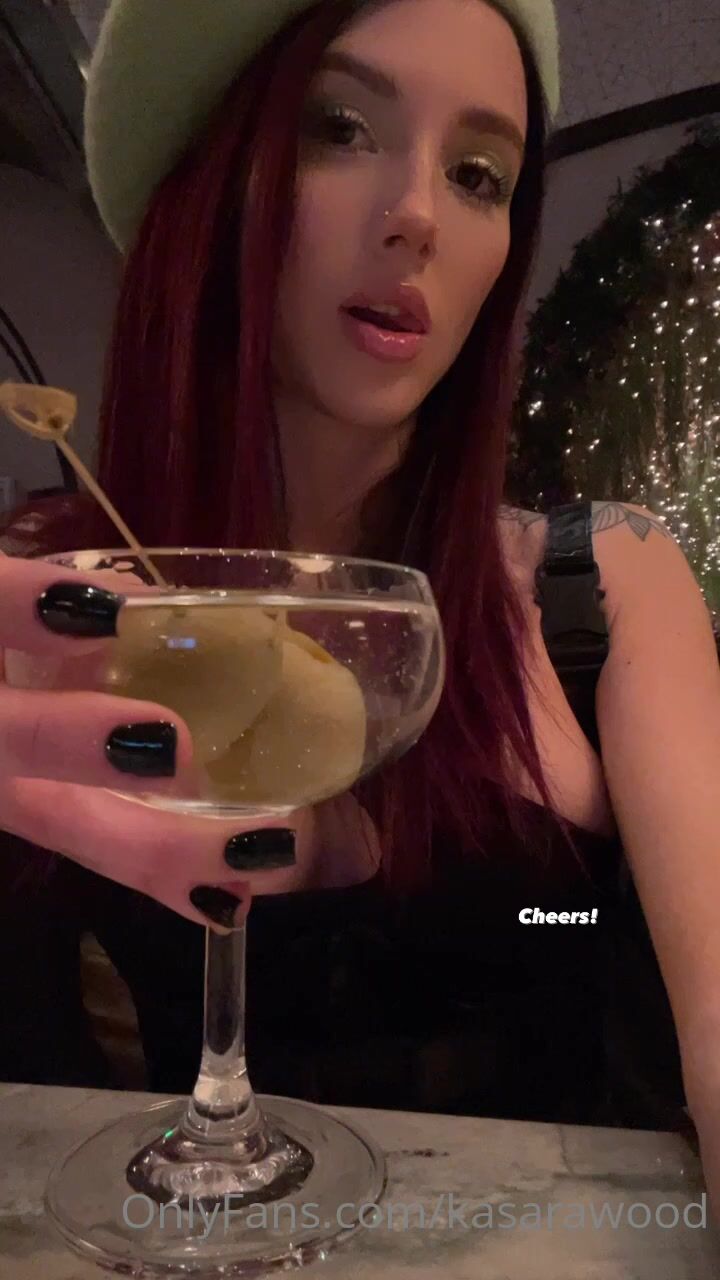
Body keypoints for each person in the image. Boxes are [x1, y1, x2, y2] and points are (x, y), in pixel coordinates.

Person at [2, 0, 720, 1218]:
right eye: (339, 126)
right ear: (215, 179)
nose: (420, 213)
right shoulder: (54, 597)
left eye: (480, 174)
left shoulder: (601, 580)